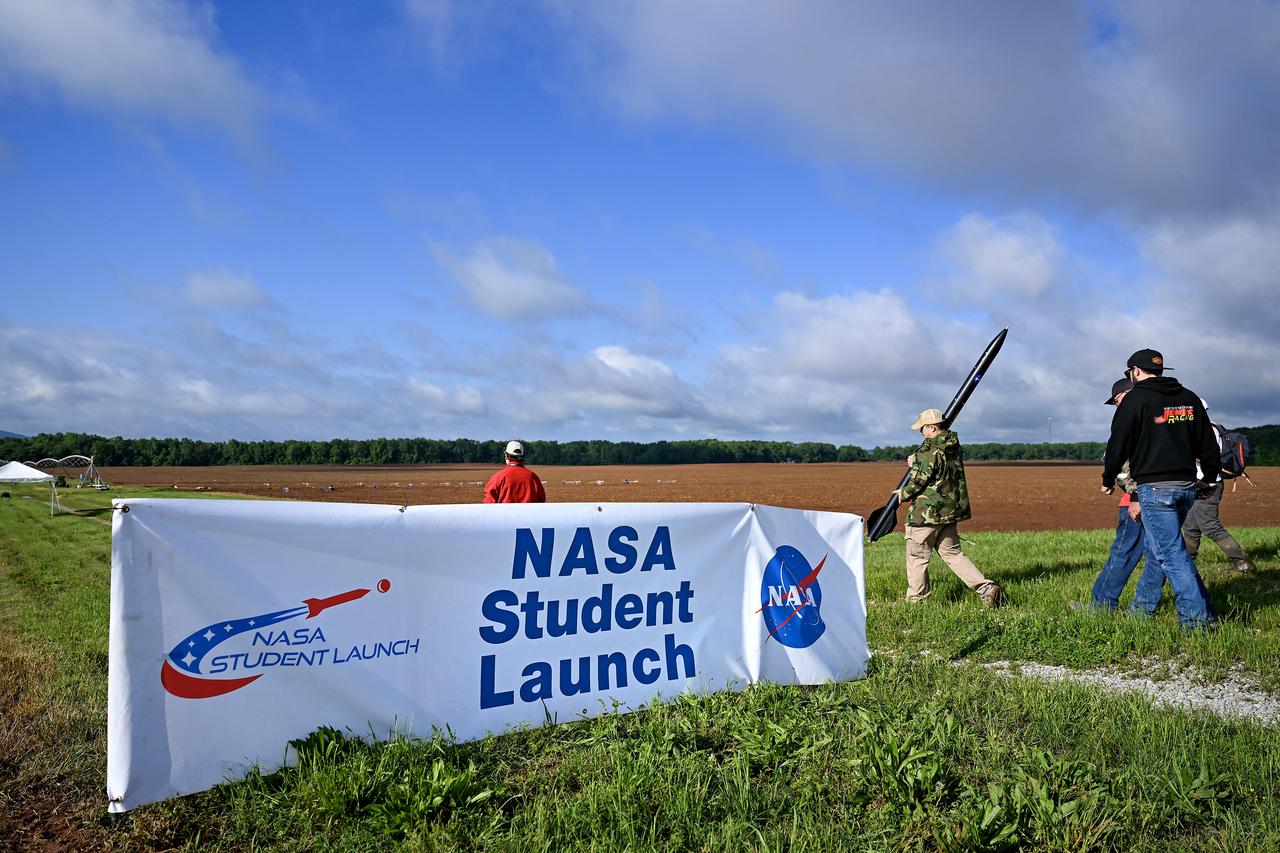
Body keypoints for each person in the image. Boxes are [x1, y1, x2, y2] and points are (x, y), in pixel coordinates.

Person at [1102, 349, 1219, 629]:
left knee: (1170, 554)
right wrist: (1210, 478)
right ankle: (1145, 612)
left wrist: (1108, 478)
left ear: (1135, 371)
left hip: (1155, 489)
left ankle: (1196, 622)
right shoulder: (1189, 398)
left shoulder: (1136, 400)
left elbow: (1118, 443)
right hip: (1187, 487)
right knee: (1162, 550)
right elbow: (1208, 445)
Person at [896, 408, 1004, 607]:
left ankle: (915, 603)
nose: (921, 433)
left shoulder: (929, 450)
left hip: (925, 514)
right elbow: (940, 471)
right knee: (953, 554)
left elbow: (920, 480)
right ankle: (986, 588)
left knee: (917, 557)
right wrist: (918, 461)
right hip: (948, 512)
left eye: (923, 428)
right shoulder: (952, 446)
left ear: (932, 428)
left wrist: (903, 493)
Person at [1083, 377, 1154, 611]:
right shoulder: (1156, 415)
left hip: (1138, 498)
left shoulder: (1134, 420)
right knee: (1166, 554)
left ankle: (1102, 605)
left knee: (1124, 550)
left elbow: (1131, 462)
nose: (1117, 405)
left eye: (1118, 399)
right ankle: (1197, 608)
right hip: (1166, 493)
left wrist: (1132, 494)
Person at [1182, 399, 1256, 573]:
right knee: (1191, 526)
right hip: (1200, 484)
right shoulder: (1208, 427)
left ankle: (1242, 562)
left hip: (1208, 485)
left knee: (1209, 525)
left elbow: (1203, 456)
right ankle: (1186, 565)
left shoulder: (1203, 431)